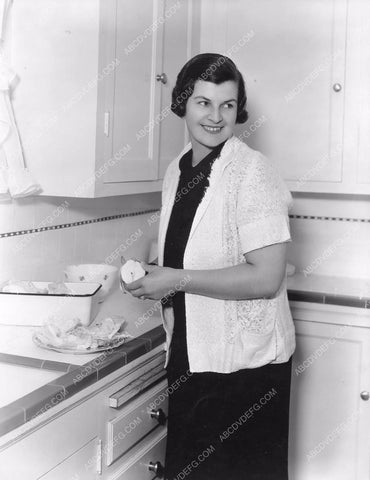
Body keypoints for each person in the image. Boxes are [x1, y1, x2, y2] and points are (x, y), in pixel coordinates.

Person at [124, 53, 295, 480]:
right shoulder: (179, 167)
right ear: (183, 103)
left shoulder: (253, 172)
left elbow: (266, 276)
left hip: (244, 371)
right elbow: (192, 244)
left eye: (228, 104)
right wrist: (154, 270)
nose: (216, 117)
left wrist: (175, 278)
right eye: (203, 102)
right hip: (190, 350)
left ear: (240, 109)